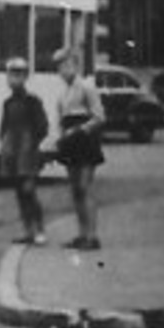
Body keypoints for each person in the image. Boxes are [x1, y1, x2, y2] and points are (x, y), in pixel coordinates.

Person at [53, 47, 107, 250]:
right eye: (59, 66)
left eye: (67, 65)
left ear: (76, 65)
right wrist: (59, 139)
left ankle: (92, 236)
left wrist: (80, 129)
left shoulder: (86, 87)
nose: (63, 70)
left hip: (85, 141)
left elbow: (100, 116)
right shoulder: (62, 94)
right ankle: (81, 234)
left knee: (85, 187)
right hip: (70, 143)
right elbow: (60, 120)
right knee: (75, 190)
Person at [0, 56, 50, 245]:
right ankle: (28, 230)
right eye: (12, 75)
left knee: (29, 191)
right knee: (20, 193)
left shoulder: (32, 101)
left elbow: (42, 126)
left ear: (25, 77)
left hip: (27, 154)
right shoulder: (8, 103)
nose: (14, 79)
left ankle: (39, 229)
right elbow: (4, 127)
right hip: (13, 153)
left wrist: (32, 144)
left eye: (18, 75)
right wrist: (5, 144)